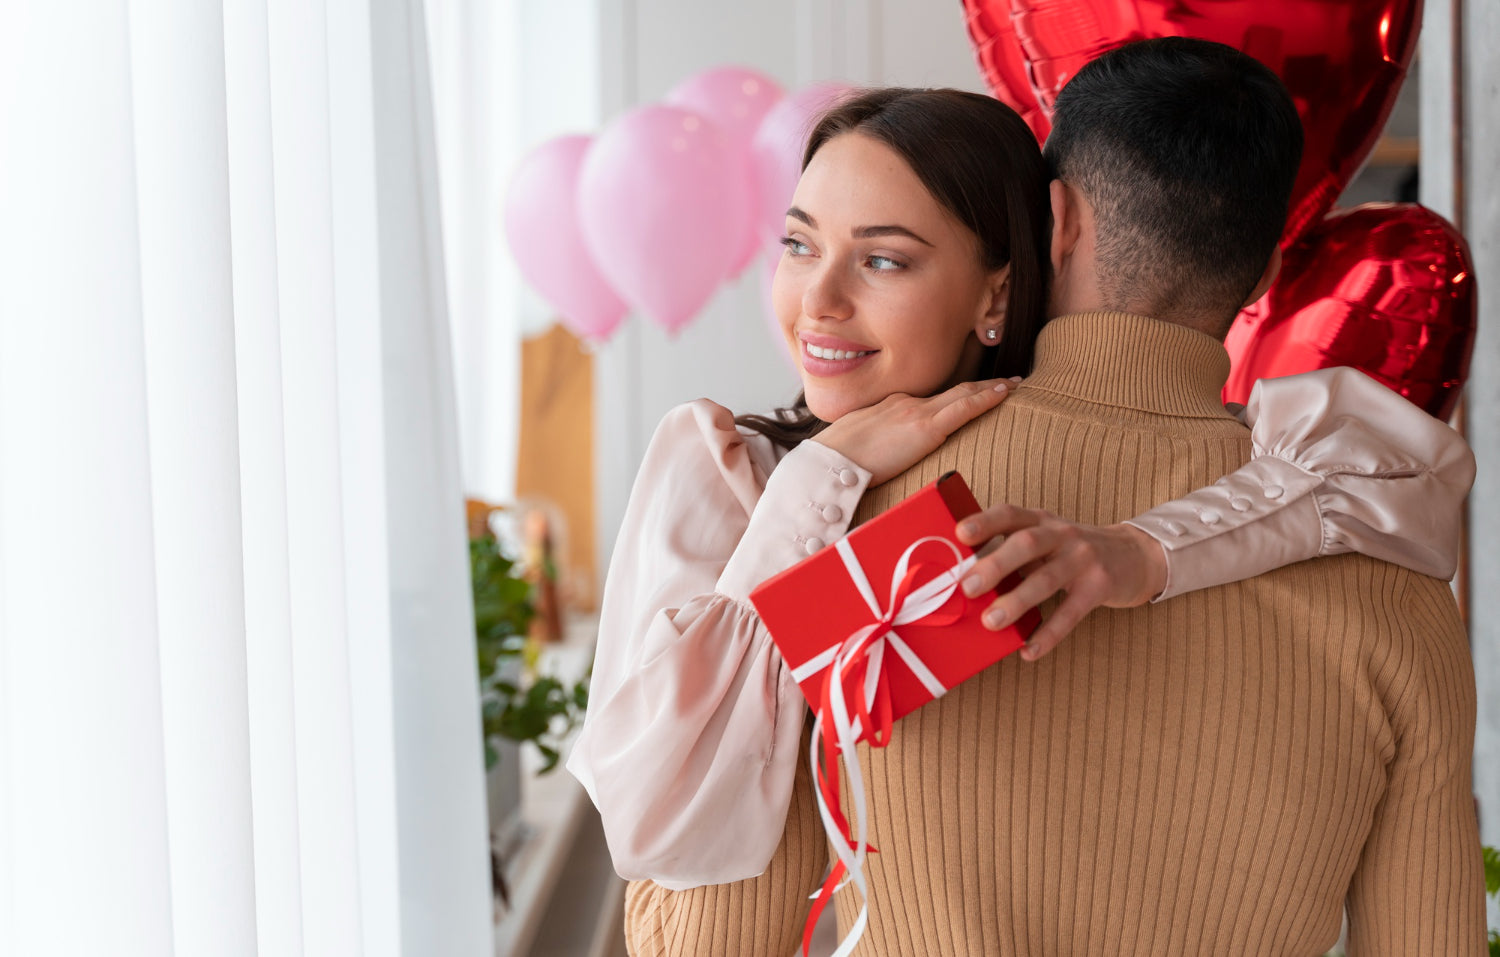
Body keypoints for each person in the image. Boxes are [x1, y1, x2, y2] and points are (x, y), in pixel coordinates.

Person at [567, 77, 1477, 954]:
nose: (820, 295)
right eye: (799, 242)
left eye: (882, 257)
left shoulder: (843, 530)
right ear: (1268, 269)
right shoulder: (1386, 559)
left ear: (1056, 223)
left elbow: (723, 941)